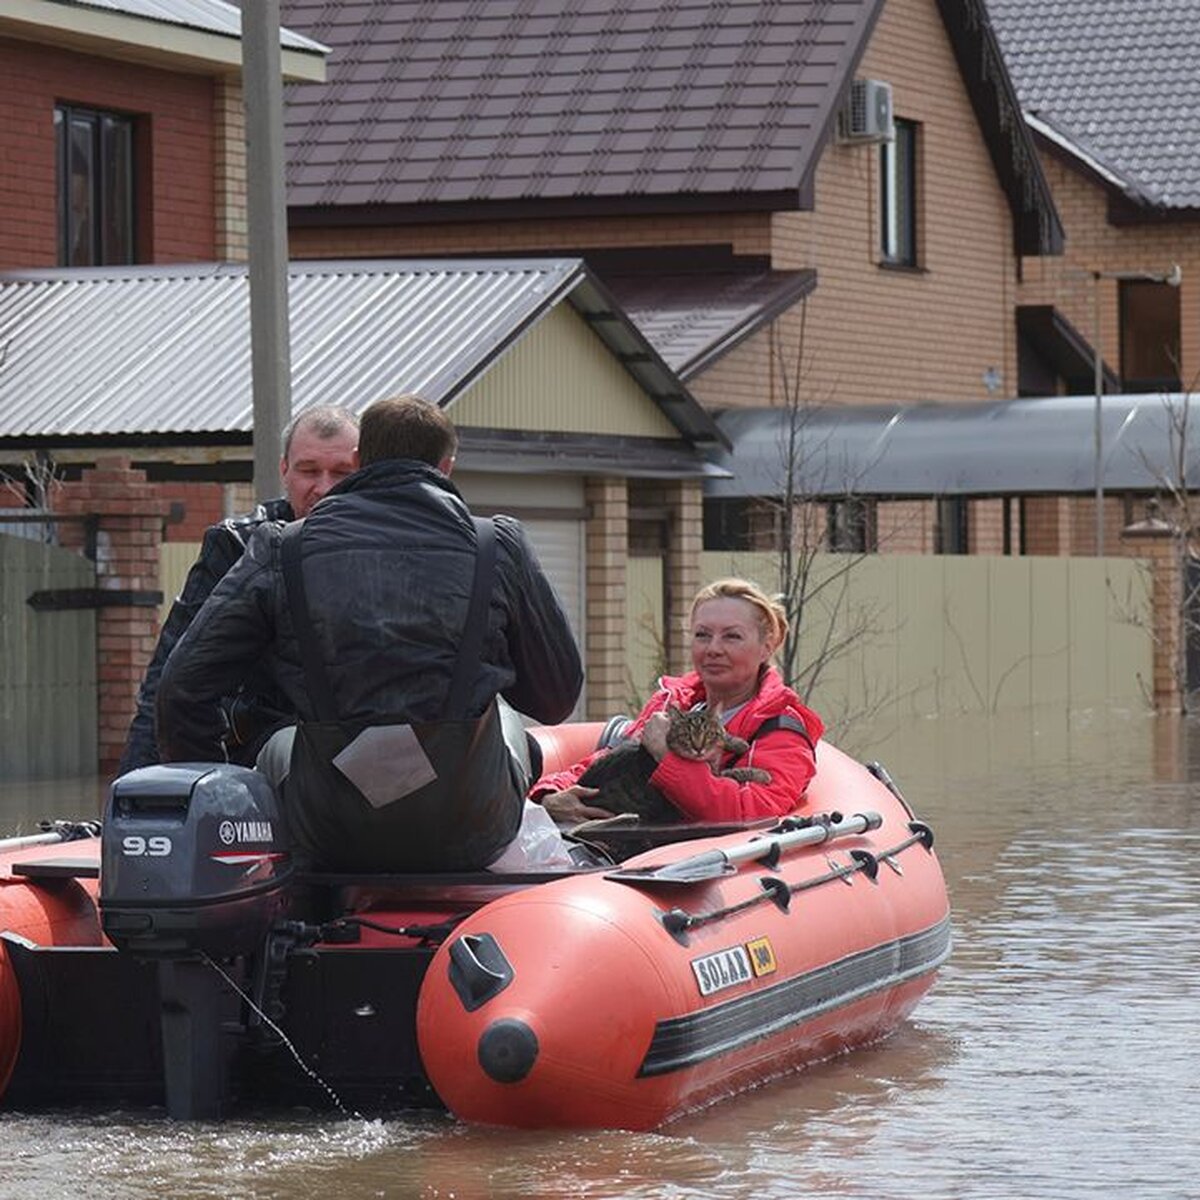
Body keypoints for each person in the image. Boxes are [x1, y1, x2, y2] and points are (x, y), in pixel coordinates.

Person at [156, 394, 583, 873]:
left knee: (282, 741)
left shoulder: (282, 548)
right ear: (446, 467)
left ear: (359, 462)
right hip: (471, 830)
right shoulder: (497, 544)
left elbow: (179, 690)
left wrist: (220, 803)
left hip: (329, 831)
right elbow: (554, 699)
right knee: (506, 720)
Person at [117, 406, 359, 774]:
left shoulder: (390, 552)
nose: (323, 487)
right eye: (309, 470)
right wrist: (134, 794)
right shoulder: (235, 546)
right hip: (256, 756)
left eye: (341, 473)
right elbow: (169, 678)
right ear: (284, 472)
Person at [532, 578, 824, 825]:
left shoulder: (780, 729)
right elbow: (612, 759)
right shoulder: (674, 704)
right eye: (702, 635)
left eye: (732, 637)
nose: (713, 649)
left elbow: (751, 813)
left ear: (767, 647)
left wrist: (667, 758)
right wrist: (549, 795)